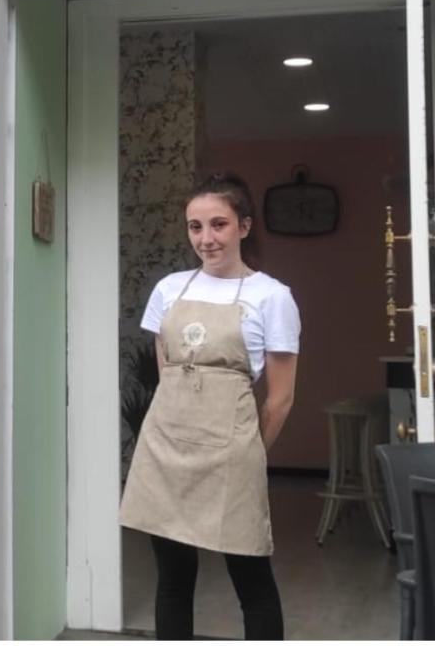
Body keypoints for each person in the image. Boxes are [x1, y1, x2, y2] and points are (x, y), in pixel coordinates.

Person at [119, 173, 300, 640]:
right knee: (173, 579)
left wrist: (247, 451)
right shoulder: (169, 289)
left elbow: (280, 398)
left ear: (244, 226)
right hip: (166, 451)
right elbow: (169, 372)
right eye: (195, 227)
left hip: (231, 454)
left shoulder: (272, 297)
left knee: (252, 580)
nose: (206, 239)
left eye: (218, 224)